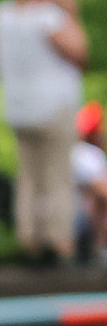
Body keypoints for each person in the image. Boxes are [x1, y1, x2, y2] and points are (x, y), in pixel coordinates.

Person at [0, 0, 88, 262]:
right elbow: (79, 51)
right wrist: (71, 14)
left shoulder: (1, 13)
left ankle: (29, 237)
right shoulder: (50, 16)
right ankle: (59, 240)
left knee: (28, 175)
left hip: (17, 105)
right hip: (53, 105)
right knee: (57, 174)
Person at [72, 100, 107, 260]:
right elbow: (102, 191)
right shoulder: (88, 154)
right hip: (81, 222)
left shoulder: (71, 152)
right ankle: (97, 247)